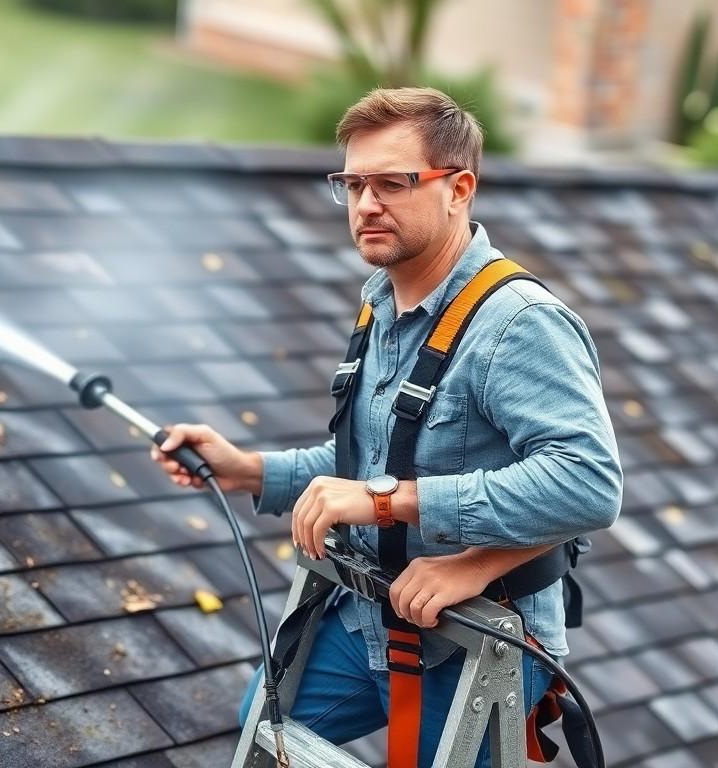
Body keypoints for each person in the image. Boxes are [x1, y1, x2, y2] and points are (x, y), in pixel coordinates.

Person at [149, 86, 622, 767]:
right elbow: (367, 462)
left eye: (394, 183)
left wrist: (397, 508)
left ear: (459, 189)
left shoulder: (517, 324)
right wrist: (247, 468)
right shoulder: (382, 303)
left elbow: (588, 483)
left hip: (475, 641)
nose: (366, 204)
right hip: (369, 616)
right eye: (352, 183)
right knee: (264, 724)